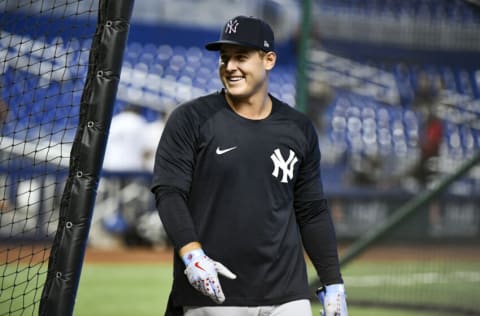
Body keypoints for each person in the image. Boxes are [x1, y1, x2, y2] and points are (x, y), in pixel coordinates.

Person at [151, 16, 348, 316]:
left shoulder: (298, 128)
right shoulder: (190, 119)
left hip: (287, 292)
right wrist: (192, 254)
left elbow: (311, 210)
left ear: (268, 60)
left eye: (241, 57)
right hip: (214, 289)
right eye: (224, 58)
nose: (230, 66)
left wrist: (333, 282)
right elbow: (169, 191)